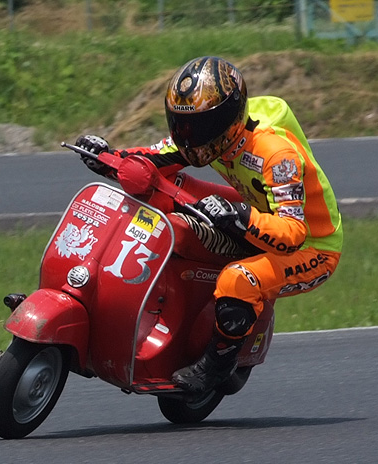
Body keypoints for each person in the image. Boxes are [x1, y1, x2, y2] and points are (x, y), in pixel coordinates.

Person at [75, 56, 343, 394]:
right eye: (182, 125)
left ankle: (217, 364)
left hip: (312, 249)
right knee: (166, 188)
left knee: (238, 280)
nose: (189, 138)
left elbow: (292, 234)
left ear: (231, 117)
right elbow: (149, 163)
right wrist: (107, 158)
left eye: (200, 127)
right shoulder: (208, 137)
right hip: (255, 213)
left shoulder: (277, 155)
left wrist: (238, 217)